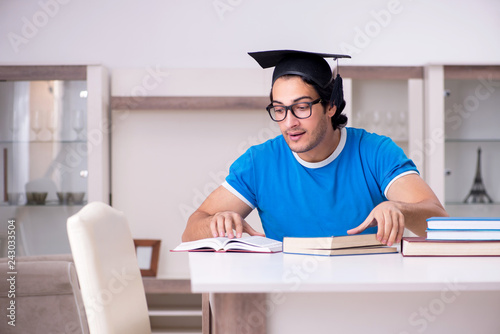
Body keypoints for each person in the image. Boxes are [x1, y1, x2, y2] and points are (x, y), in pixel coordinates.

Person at [182, 50, 448, 246]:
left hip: (367, 295)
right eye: (279, 110)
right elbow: (191, 230)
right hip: (287, 300)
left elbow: (438, 221)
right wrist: (214, 223)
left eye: (301, 107)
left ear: (331, 105)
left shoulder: (375, 153)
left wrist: (401, 209)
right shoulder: (260, 163)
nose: (290, 122)